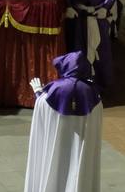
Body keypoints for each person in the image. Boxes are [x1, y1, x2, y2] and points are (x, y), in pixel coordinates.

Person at [24, 52, 103, 192]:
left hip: (57, 143)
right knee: (80, 167)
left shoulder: (53, 92)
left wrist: (38, 93)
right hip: (81, 148)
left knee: (54, 166)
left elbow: (43, 110)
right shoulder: (93, 96)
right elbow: (95, 126)